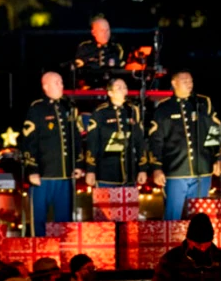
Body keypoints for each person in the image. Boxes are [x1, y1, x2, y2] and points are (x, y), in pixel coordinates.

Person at [148, 71, 221, 220]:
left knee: (199, 216)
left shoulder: (203, 103)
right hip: (175, 170)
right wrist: (156, 168)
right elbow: (156, 141)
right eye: (184, 80)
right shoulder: (164, 108)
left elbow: (216, 131)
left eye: (191, 80)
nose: (189, 83)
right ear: (174, 83)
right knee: (173, 215)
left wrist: (219, 157)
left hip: (202, 169)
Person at [22, 72, 84, 236]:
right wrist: (32, 169)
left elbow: (76, 139)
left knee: (64, 221)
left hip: (65, 175)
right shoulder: (37, 108)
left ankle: (64, 252)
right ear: (45, 86)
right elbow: (29, 141)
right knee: (39, 220)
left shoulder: (69, 107)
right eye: (57, 82)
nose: (61, 86)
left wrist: (78, 164)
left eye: (62, 82)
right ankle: (40, 254)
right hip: (44, 174)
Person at [83, 77, 146, 187]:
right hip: (106, 172)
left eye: (125, 87)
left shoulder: (132, 110)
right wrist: (90, 169)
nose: (123, 90)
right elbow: (92, 143)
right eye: (119, 88)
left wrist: (142, 168)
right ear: (110, 93)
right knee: (106, 204)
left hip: (129, 172)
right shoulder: (100, 112)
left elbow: (139, 141)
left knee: (129, 204)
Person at [153, 213, 221, 281]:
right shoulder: (171, 260)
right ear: (189, 240)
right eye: (198, 245)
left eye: (206, 244)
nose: (202, 249)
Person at [73, 17, 124, 89]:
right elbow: (77, 73)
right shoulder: (85, 48)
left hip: (111, 88)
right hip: (89, 90)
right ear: (93, 32)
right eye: (102, 30)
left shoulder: (116, 48)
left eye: (107, 30)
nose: (105, 33)